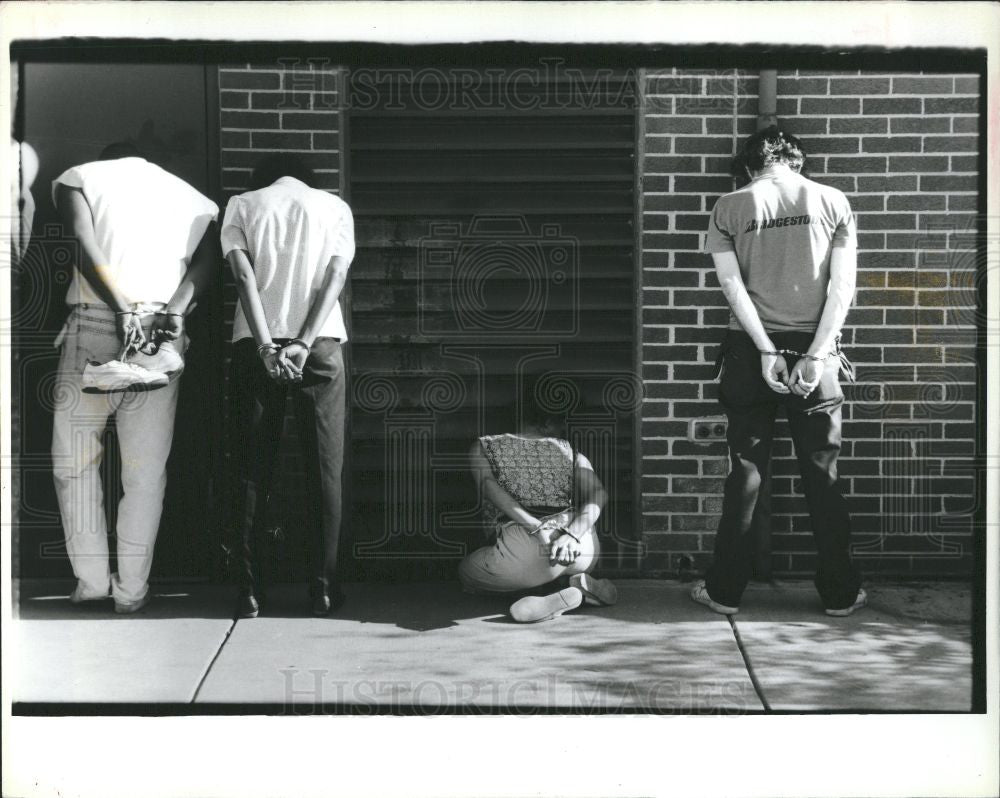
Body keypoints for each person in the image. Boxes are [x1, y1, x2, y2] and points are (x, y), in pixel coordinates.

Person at [693, 125, 865, 618]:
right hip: (818, 351)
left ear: (751, 165)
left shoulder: (729, 206)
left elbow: (733, 288)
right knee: (822, 472)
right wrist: (815, 354)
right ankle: (840, 594)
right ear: (797, 161)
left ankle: (725, 592)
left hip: (750, 355)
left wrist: (767, 350)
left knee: (746, 470)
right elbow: (842, 290)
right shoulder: (833, 201)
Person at [51, 142, 219, 613]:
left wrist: (122, 307)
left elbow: (85, 246)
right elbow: (208, 262)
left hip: (98, 323)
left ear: (108, 158)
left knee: (76, 463)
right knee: (145, 474)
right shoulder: (193, 199)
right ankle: (131, 591)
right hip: (159, 335)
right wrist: (175, 312)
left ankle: (91, 582)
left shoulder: (79, 177)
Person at [221, 153, 354, 618]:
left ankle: (248, 592)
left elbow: (242, 277)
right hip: (318, 349)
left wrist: (265, 347)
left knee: (251, 467)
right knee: (325, 469)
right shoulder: (334, 207)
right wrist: (302, 340)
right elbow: (336, 276)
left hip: (255, 346)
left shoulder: (242, 205)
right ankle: (322, 590)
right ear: (308, 179)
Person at [458, 387, 618, 623]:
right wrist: (572, 534)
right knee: (550, 569)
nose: (563, 430)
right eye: (560, 422)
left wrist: (536, 526)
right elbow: (599, 494)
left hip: (526, 547)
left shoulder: (485, 446)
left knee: (466, 572)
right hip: (580, 548)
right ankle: (572, 586)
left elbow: (489, 488)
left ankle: (529, 595)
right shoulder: (571, 452)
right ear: (545, 423)